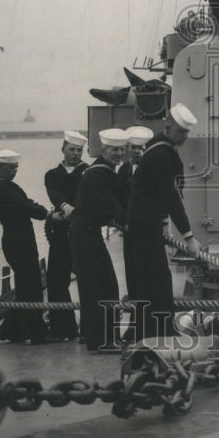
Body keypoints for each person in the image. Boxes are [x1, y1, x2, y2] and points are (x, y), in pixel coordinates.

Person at [127, 103, 202, 339]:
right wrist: (188, 236)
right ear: (168, 126)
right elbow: (170, 197)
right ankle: (161, 333)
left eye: (187, 132)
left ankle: (149, 332)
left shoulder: (159, 147)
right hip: (145, 226)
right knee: (158, 280)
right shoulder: (162, 153)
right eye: (181, 132)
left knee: (151, 280)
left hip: (142, 224)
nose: (185, 136)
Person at [69, 128, 128, 350]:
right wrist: (128, 221)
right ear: (104, 149)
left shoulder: (97, 170)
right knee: (103, 287)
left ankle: (91, 335)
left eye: (122, 149)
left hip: (86, 232)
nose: (119, 153)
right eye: (114, 149)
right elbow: (111, 204)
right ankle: (100, 341)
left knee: (94, 286)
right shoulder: (100, 173)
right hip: (85, 235)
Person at [0, 150, 50, 344]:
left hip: (20, 239)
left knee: (26, 286)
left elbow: (25, 203)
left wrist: (39, 209)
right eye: (11, 167)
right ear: (0, 167)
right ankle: (35, 332)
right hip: (17, 241)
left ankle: (14, 330)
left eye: (16, 167)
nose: (15, 171)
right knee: (31, 287)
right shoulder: (0, 188)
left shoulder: (5, 185)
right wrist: (46, 213)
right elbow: (25, 206)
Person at [42, 130, 89, 339]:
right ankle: (63, 327)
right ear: (63, 149)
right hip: (61, 233)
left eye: (79, 150)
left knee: (88, 278)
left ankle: (90, 327)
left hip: (84, 231)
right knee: (56, 279)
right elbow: (54, 193)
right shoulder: (52, 174)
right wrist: (63, 206)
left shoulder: (88, 171)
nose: (76, 154)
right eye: (72, 149)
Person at [117, 125, 154, 298]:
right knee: (130, 267)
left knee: (147, 269)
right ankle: (134, 301)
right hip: (129, 228)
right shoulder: (123, 170)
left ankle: (146, 302)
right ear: (128, 149)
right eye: (134, 148)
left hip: (147, 228)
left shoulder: (153, 170)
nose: (138, 152)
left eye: (142, 148)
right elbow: (118, 198)